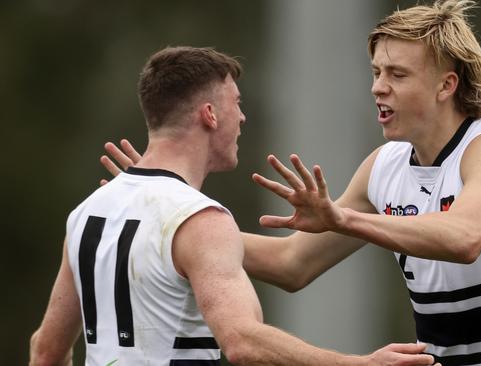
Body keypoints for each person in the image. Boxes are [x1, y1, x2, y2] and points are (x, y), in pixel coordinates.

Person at [100, 1, 481, 364]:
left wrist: (343, 218)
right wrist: (173, 219)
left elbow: (464, 237)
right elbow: (293, 265)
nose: (378, 87)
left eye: (397, 74)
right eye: (375, 72)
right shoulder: (384, 166)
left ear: (446, 85)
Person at [29, 46, 438, 366]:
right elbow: (242, 342)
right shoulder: (201, 220)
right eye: (236, 103)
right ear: (209, 114)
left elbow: (46, 352)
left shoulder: (87, 213)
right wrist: (359, 363)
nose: (241, 118)